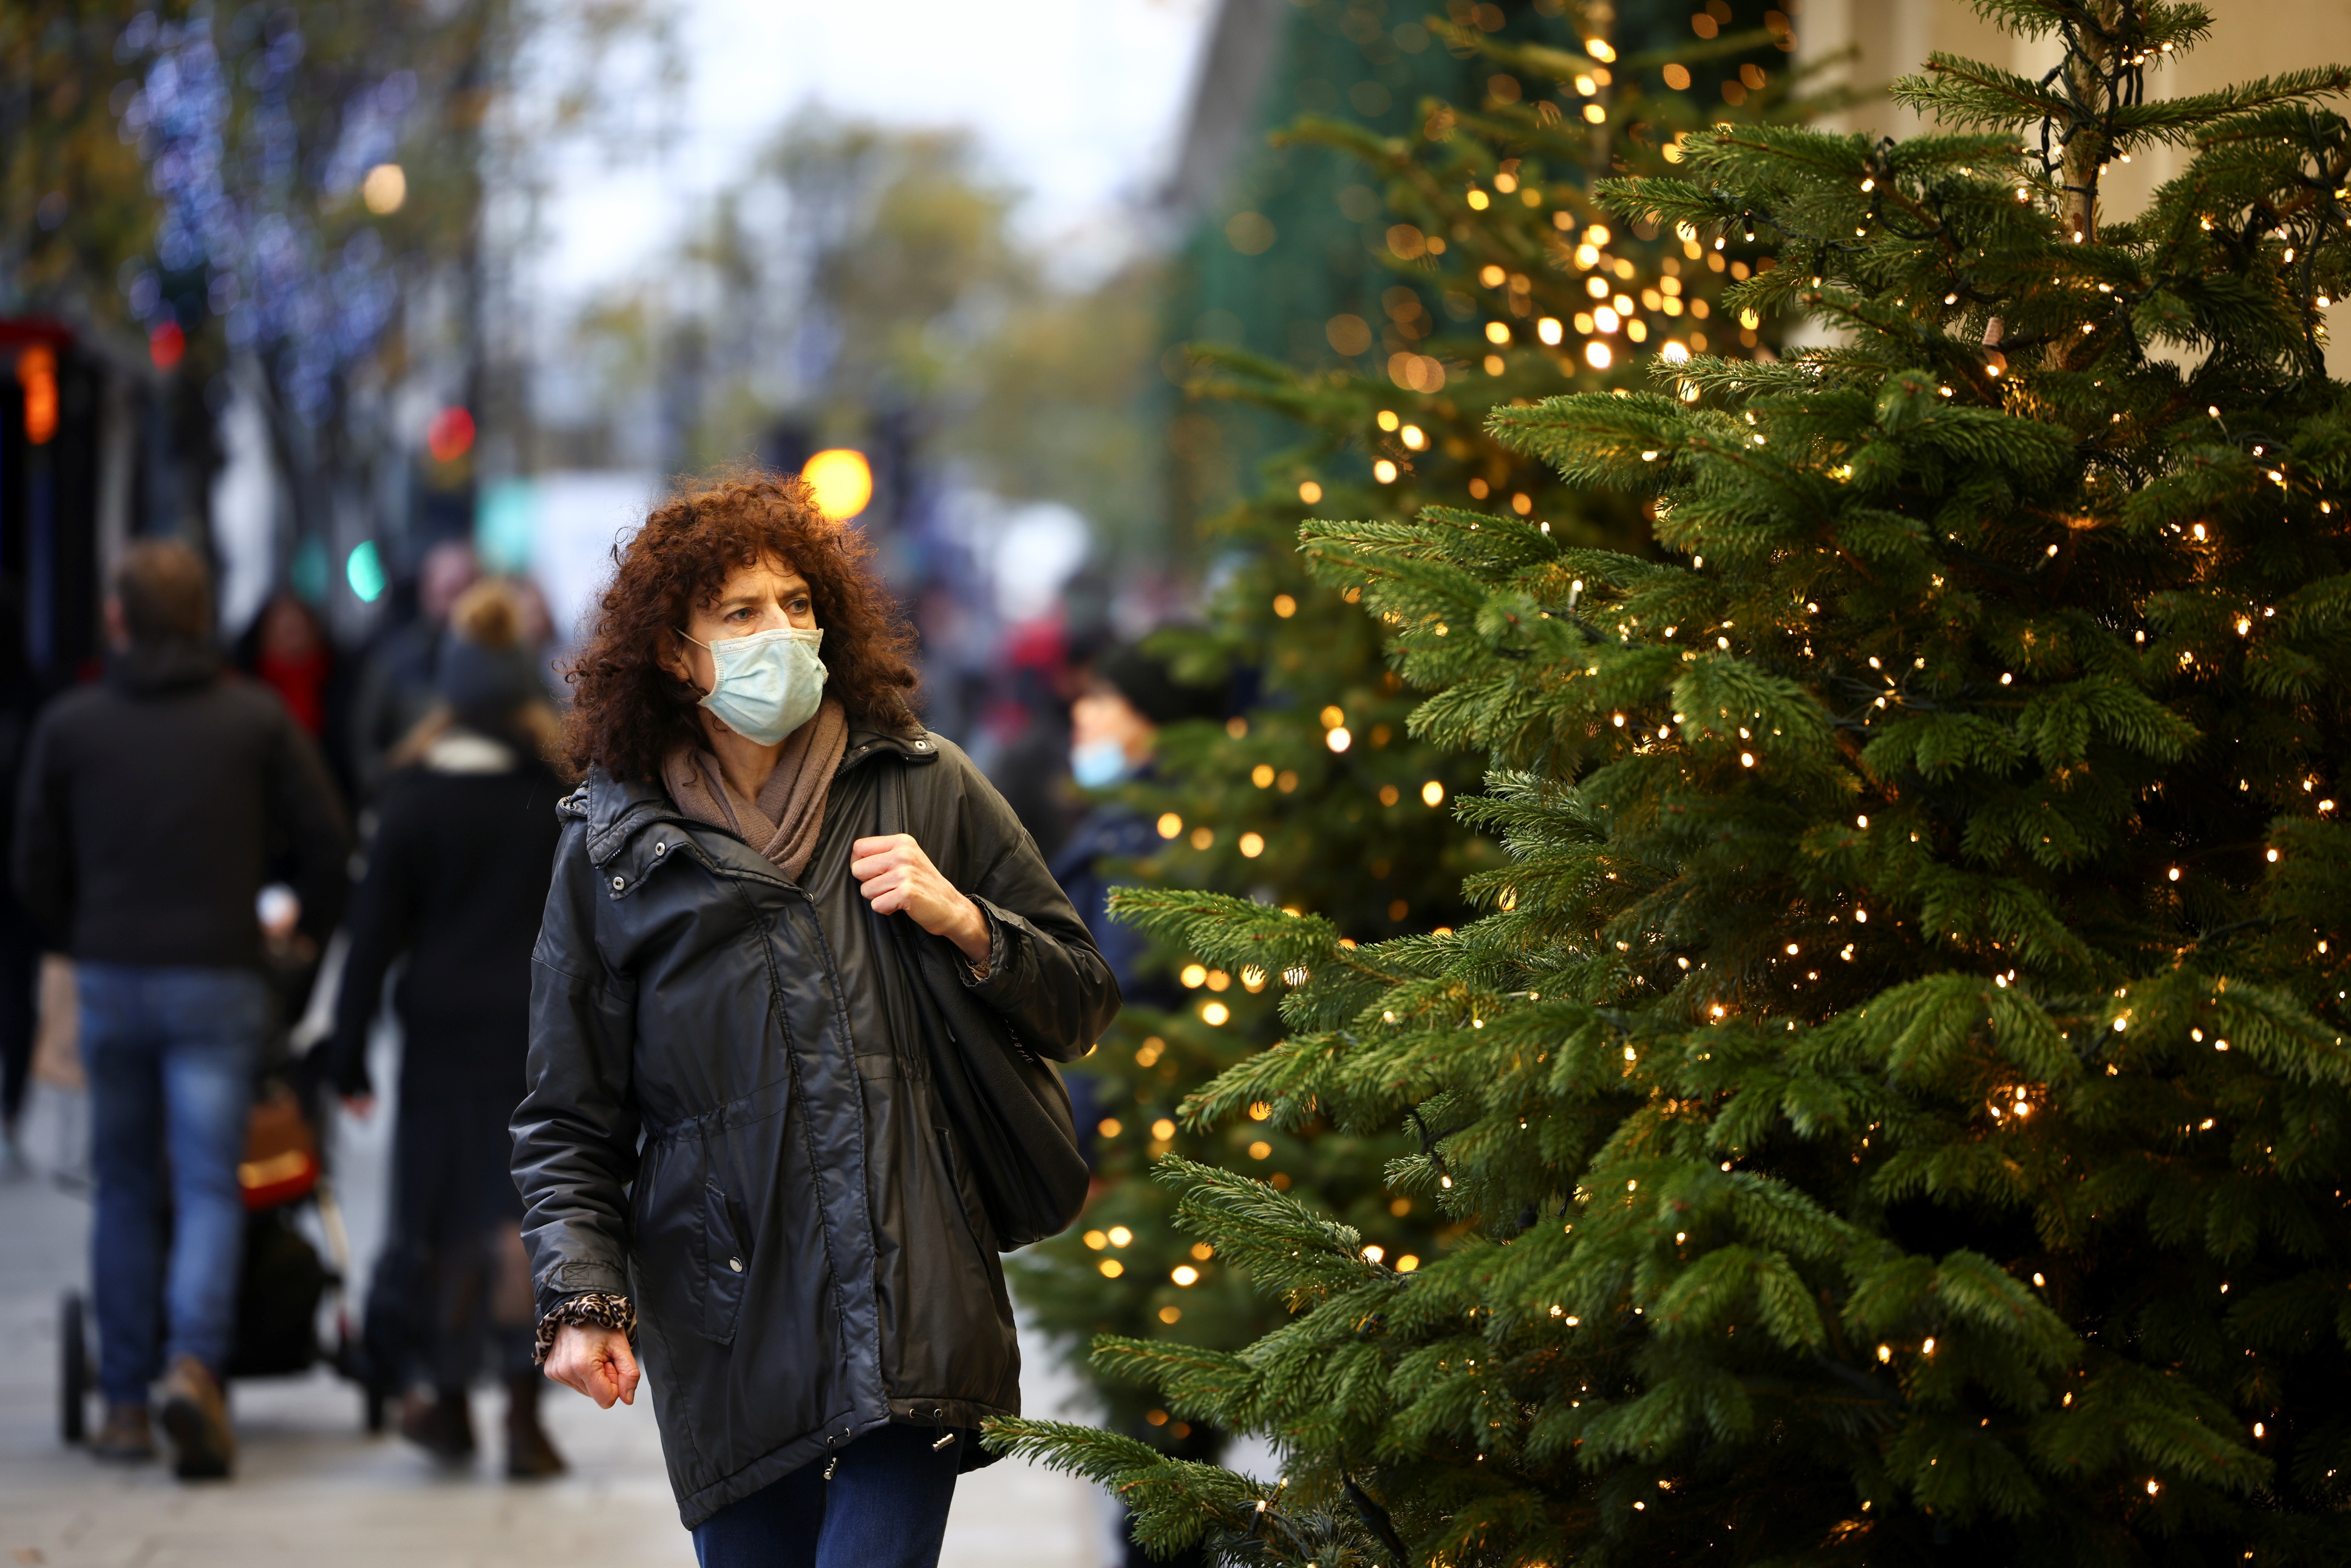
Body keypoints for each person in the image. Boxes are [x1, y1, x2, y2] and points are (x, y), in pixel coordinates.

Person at [513, 473, 1119, 1567]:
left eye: (796, 604)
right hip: (728, 1312)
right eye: (740, 613)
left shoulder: (926, 783)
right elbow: (567, 1113)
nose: (780, 632)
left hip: (912, 1290)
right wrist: (580, 1296)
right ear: (673, 650)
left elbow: (1080, 994)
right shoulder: (610, 852)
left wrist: (967, 922)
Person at [13, 539, 350, 1478]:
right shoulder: (254, 721)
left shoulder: (72, 726)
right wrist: (298, 949)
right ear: (206, 618)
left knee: (123, 1182)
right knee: (209, 1180)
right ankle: (195, 1366)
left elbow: (31, 864)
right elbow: (329, 847)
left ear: (119, 619)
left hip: (113, 977)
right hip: (219, 976)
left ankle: (122, 1398)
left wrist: (80, 931)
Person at [321, 579, 570, 1478]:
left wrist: (347, 1052)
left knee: (446, 1219)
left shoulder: (413, 791)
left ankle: (452, 1400)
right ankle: (526, 1411)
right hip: (538, 1037)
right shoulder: (562, 790)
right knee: (523, 1215)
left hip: (437, 1038)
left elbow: (372, 935)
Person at [1049, 642, 1223, 1008]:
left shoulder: (1147, 841)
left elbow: (1124, 1004)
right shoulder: (1120, 818)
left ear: (1153, 718)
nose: (1081, 712)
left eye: (1102, 698)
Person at [348, 539, 480, 795]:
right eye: (446, 591)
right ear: (425, 591)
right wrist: (390, 793)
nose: (453, 605)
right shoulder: (393, 661)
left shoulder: (495, 663)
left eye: (462, 591)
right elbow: (363, 745)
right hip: (409, 800)